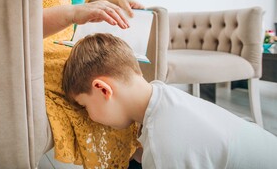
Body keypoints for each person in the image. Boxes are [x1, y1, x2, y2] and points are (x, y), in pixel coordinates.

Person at [0, 0, 144, 168]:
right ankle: (133, 158)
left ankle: (139, 152)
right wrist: (72, 13)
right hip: (28, 56)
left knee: (118, 61)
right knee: (103, 71)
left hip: (63, 49)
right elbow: (3, 22)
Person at [62, 33, 277, 169]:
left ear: (102, 89)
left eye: (85, 106)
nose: (88, 116)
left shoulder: (161, 147)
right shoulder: (162, 93)